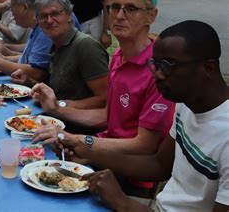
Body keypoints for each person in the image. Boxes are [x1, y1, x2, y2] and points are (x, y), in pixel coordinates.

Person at [62, 21, 229, 212]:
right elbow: (159, 164)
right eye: (155, 64)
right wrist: (89, 153)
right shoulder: (186, 104)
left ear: (208, 68)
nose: (157, 74)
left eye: (168, 65)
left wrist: (123, 203)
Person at [32, 0, 175, 194]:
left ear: (151, 16)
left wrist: (78, 140)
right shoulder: (119, 56)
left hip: (130, 178)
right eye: (114, 7)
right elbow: (108, 116)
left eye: (131, 9)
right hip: (101, 157)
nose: (119, 15)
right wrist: (57, 110)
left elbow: (144, 145)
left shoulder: (158, 71)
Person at [12, 0, 108, 111]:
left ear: (69, 16)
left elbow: (105, 99)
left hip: (75, 126)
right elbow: (59, 90)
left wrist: (61, 105)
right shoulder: (56, 44)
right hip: (54, 117)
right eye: (43, 16)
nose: (49, 20)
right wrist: (29, 82)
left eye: (55, 14)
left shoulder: (86, 46)